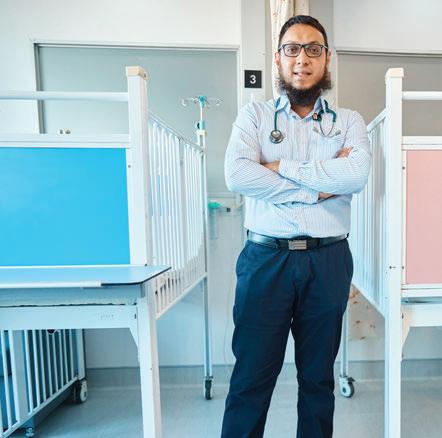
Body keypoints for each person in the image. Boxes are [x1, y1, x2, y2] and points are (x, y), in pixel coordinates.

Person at [221, 15, 371, 438]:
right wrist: (317, 189)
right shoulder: (254, 116)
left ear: (327, 58)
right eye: (292, 49)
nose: (302, 59)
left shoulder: (348, 121)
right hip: (265, 261)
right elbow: (238, 175)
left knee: (318, 381)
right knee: (250, 381)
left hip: (328, 261)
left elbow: (356, 174)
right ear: (278, 58)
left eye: (313, 49)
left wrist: (280, 167)